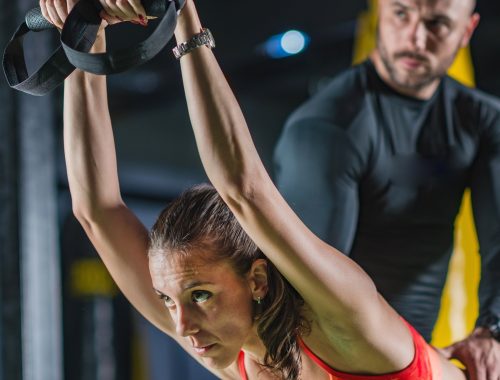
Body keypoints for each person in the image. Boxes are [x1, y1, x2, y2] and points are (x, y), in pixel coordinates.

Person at [45, 0, 472, 378]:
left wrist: (182, 16)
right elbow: (96, 210)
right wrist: (85, 33)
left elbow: (243, 188)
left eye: (200, 296)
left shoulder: (344, 320)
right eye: (168, 300)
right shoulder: (232, 349)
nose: (182, 325)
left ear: (258, 279)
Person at [274, 0, 500, 377]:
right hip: (326, 360)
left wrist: (492, 330)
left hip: (416, 355)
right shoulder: (326, 126)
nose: (415, 37)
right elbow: (307, 289)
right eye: (401, 13)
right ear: (380, 11)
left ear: (467, 30)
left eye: (437, 24)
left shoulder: (483, 122)